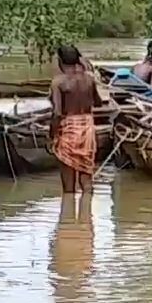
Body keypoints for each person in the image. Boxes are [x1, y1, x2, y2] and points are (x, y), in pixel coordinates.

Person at [50, 45, 101, 195]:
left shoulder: (58, 82)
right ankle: (87, 215)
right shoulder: (89, 80)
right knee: (87, 180)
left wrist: (52, 134)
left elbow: (57, 113)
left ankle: (68, 215)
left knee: (69, 187)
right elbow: (98, 102)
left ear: (60, 61)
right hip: (87, 128)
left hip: (69, 129)